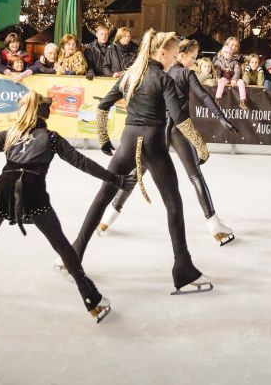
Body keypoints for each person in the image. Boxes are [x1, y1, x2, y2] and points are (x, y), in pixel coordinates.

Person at [0, 92, 119, 323]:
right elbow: (81, 162)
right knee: (62, 245)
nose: (51, 109)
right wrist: (114, 179)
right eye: (48, 107)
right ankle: (91, 299)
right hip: (32, 192)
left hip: (3, 189)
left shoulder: (11, 134)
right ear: (42, 112)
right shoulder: (51, 137)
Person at [66, 29, 213, 295]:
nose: (176, 57)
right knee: (173, 203)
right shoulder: (163, 79)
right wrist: (201, 148)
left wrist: (102, 138)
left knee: (103, 196)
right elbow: (180, 119)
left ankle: (74, 253)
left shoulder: (131, 75)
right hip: (154, 145)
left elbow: (103, 106)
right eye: (174, 52)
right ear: (163, 52)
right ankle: (183, 268)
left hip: (127, 142)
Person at [96, 38, 239, 245]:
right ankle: (214, 225)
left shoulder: (162, 73)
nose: (194, 61)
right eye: (192, 57)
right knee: (195, 175)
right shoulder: (185, 73)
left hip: (157, 130)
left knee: (136, 173)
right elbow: (204, 97)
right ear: (180, 55)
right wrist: (219, 120)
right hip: (179, 130)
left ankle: (107, 219)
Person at [213, 43, 248, 110]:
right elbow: (216, 70)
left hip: (233, 78)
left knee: (241, 82)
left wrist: (235, 79)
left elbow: (237, 70)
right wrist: (218, 78)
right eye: (226, 52)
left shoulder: (235, 61)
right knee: (221, 82)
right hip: (224, 77)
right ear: (223, 53)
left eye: (230, 53)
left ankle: (242, 101)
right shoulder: (219, 61)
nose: (228, 54)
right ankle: (218, 98)